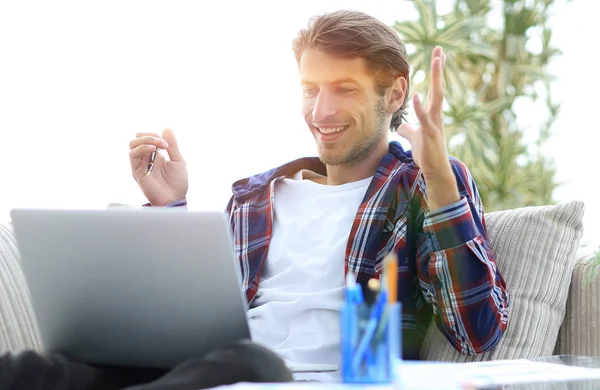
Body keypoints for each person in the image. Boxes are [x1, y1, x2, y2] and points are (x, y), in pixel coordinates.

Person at [0, 9, 509, 390]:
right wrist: (170, 212)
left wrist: (441, 181)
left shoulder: (422, 184)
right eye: (310, 88)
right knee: (32, 370)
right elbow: (189, 317)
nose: (322, 110)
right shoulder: (254, 197)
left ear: (394, 94)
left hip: (284, 378)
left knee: (252, 363)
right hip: (203, 372)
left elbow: (476, 331)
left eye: (344, 88)